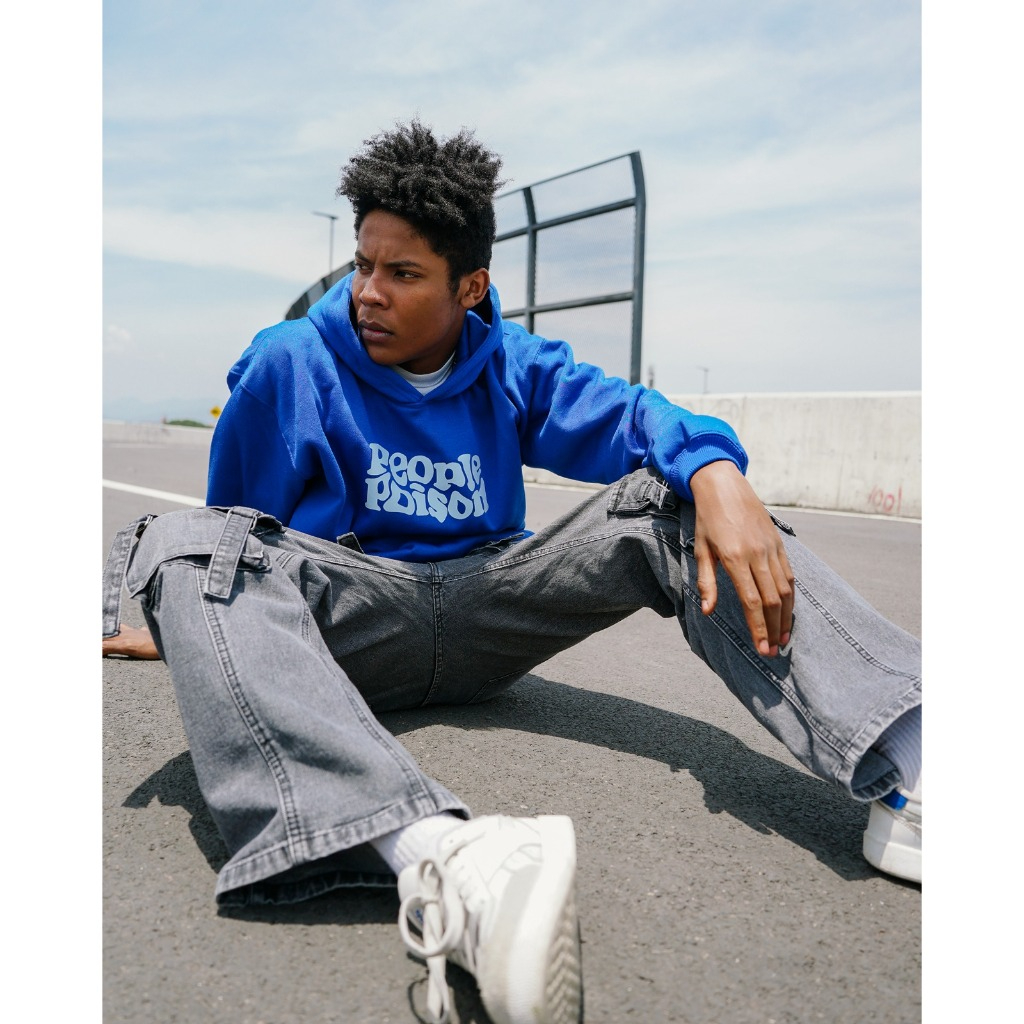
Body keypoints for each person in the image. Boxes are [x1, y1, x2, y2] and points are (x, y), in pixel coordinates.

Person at [102, 120, 921, 1024]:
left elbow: (632, 416)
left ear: (471, 287)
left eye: (403, 273)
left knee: (679, 495)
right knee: (185, 543)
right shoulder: (291, 361)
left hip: (492, 606)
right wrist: (203, 622)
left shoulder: (513, 365)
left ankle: (917, 756)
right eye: (362, 265)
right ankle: (439, 859)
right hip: (352, 625)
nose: (369, 293)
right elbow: (239, 531)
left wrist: (718, 474)